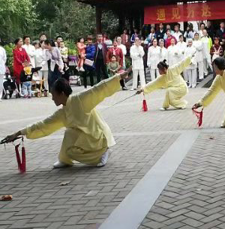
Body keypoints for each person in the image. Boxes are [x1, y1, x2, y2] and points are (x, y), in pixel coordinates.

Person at [2, 71, 131, 168]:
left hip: (98, 135)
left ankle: (103, 152)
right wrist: (18, 133)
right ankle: (65, 159)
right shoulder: (62, 112)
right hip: (85, 137)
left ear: (62, 94)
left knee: (72, 133)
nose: (52, 99)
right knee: (69, 134)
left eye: (54, 95)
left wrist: (118, 77)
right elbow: (42, 125)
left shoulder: (80, 99)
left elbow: (98, 89)